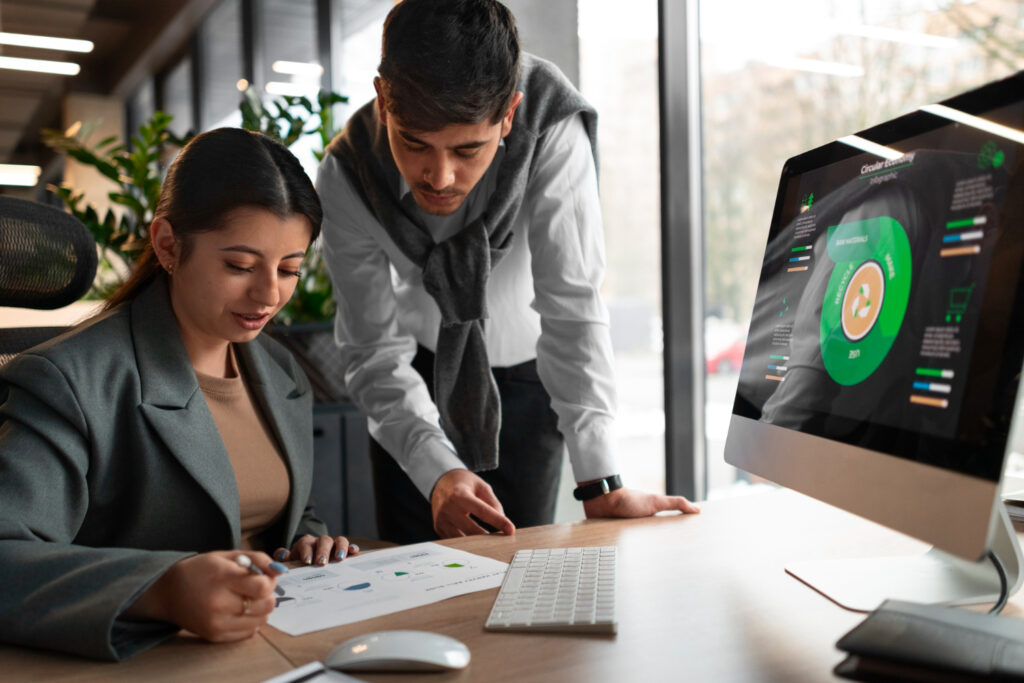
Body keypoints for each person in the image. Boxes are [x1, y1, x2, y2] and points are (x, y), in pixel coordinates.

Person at [318, 0, 699, 545]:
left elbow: (573, 304)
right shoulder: (347, 174)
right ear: (383, 101)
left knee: (526, 572)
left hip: (530, 377)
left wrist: (603, 481)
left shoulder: (552, 126)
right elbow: (372, 350)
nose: (441, 177)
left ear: (509, 114)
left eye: (468, 149)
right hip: (414, 382)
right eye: (414, 143)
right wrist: (436, 470)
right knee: (413, 583)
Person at [0, 128, 357, 662]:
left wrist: (309, 539)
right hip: (156, 658)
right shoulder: (66, 381)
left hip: (282, 642)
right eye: (239, 266)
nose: (268, 296)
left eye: (288, 269)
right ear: (168, 244)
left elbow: (277, 507)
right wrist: (159, 589)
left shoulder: (280, 371)